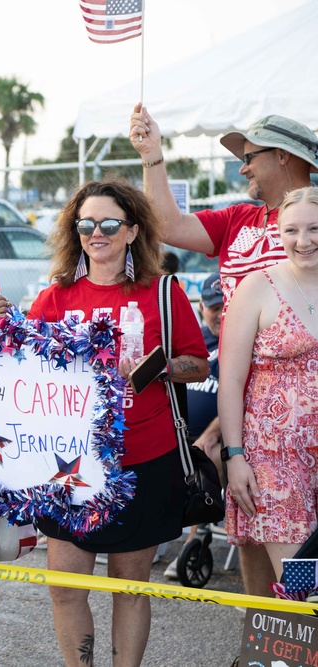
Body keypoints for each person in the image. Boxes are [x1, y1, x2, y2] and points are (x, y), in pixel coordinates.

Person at [129, 107, 318, 598]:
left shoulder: (312, 222)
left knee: (300, 555)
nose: (243, 168)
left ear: (284, 157)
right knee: (257, 536)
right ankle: (263, 647)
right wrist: (153, 157)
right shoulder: (238, 218)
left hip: (302, 412)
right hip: (250, 414)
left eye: (250, 156)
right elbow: (168, 225)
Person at [26, 181, 208, 667]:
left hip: (144, 460)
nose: (96, 233)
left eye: (109, 224)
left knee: (128, 589)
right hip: (70, 465)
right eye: (86, 225)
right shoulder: (55, 297)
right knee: (66, 590)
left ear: (132, 231)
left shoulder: (163, 292)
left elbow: (198, 363)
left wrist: (157, 368)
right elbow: (21, 373)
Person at [219, 186, 318, 580]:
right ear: (278, 232)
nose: (303, 240)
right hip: (275, 458)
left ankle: (268, 645)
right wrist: (235, 455)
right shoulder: (257, 287)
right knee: (302, 583)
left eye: (314, 228)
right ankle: (284, 643)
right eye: (292, 230)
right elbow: (231, 379)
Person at [163, 273, 223, 580]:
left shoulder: (241, 341)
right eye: (214, 306)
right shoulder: (193, 340)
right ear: (202, 307)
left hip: (216, 440)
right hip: (178, 435)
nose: (220, 313)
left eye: (227, 305)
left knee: (205, 457)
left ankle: (195, 541)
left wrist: (212, 435)